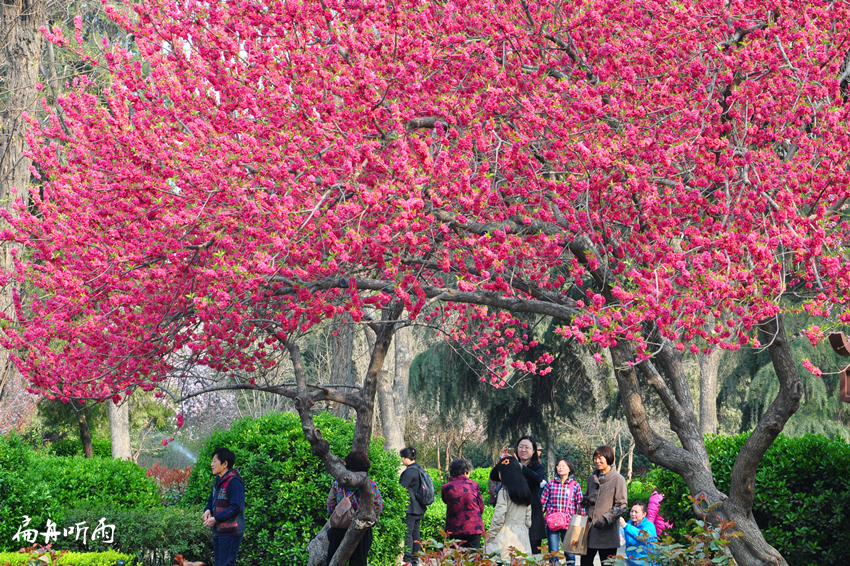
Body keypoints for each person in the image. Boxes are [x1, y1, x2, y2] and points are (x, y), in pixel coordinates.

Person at [326, 450, 384, 566]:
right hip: (361, 531)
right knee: (359, 562)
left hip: (339, 529)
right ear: (365, 465)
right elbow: (378, 506)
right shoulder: (371, 484)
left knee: (334, 561)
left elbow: (330, 504)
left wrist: (340, 516)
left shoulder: (339, 483)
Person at [490, 435, 546, 553]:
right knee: (514, 552)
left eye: (527, 447)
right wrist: (502, 460)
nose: (523, 450)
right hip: (512, 513)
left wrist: (518, 465)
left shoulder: (538, 467)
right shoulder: (510, 464)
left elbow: (538, 479)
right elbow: (494, 476)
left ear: (534, 450)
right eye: (521, 446)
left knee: (532, 550)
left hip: (531, 514)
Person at [576, 445, 627, 566]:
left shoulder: (618, 479)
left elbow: (622, 505)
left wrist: (605, 519)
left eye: (600, 458)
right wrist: (586, 500)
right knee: (585, 563)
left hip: (607, 533)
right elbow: (587, 495)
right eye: (595, 458)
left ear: (608, 458)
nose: (597, 461)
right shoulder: (592, 478)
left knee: (608, 563)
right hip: (589, 533)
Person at [203, 448, 245, 566]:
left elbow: (236, 507)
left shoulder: (234, 481)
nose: (211, 464)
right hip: (219, 531)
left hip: (231, 531)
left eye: (214, 461)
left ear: (225, 464)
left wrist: (216, 519)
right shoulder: (218, 481)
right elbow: (211, 499)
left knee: (225, 564)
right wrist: (207, 510)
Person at [486, 455, 532, 560]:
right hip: (522, 534)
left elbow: (499, 515)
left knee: (504, 559)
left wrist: (491, 534)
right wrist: (524, 526)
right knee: (520, 559)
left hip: (505, 533)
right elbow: (528, 518)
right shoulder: (525, 490)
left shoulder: (504, 491)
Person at [540, 457, 584, 565]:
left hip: (569, 523)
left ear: (569, 469)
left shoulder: (575, 485)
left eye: (563, 466)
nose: (560, 468)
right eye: (559, 466)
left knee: (570, 554)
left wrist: (581, 524)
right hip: (552, 523)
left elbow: (580, 505)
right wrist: (540, 518)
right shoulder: (550, 484)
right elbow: (543, 502)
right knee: (553, 553)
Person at [441, 458, 485, 549]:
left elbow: (446, 500)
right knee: (473, 557)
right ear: (466, 472)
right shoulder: (474, 485)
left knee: (456, 557)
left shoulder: (446, 487)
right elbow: (481, 506)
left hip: (454, 527)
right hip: (473, 527)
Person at [399, 446, 427, 566]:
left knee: (408, 533)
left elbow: (401, 487)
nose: (401, 461)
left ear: (407, 458)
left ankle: (407, 559)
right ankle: (415, 559)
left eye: (402, 458)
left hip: (410, 508)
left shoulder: (409, 471)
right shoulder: (419, 470)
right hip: (419, 508)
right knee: (416, 534)